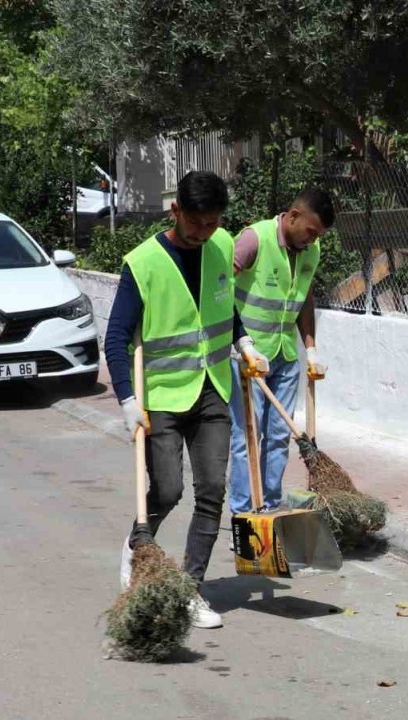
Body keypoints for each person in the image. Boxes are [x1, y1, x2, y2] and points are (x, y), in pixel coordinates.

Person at [105, 171, 271, 629]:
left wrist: (246, 344)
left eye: (212, 223)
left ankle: (190, 591)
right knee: (168, 491)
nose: (203, 233)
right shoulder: (143, 263)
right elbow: (117, 337)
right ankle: (139, 546)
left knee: (212, 491)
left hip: (213, 389)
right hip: (161, 396)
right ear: (175, 210)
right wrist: (126, 399)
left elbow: (225, 308)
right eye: (195, 222)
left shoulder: (220, 248)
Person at [228, 188, 335, 514]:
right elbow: (218, 288)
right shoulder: (254, 239)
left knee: (277, 436)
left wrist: (311, 349)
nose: (313, 239)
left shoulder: (310, 251)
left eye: (319, 235)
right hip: (247, 357)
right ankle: (243, 515)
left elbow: (304, 298)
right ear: (292, 216)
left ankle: (270, 510)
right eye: (311, 231)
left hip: (285, 355)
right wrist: (239, 342)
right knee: (247, 436)